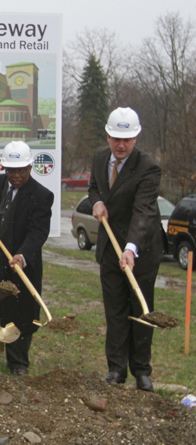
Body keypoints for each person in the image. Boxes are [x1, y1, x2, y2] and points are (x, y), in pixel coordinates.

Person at [88, 107, 162, 392]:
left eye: (127, 139)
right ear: (108, 135)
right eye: (116, 138)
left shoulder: (148, 168)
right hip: (109, 247)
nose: (121, 145)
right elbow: (95, 188)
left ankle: (142, 371)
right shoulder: (98, 157)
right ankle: (116, 369)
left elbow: (143, 212)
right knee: (115, 311)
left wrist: (131, 249)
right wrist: (95, 202)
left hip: (140, 249)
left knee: (141, 311)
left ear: (136, 137)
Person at [0, 141, 53, 377]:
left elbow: (38, 232)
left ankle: (18, 362)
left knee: (20, 311)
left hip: (22, 264)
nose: (15, 176)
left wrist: (22, 255)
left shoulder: (42, 195)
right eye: (11, 171)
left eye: (21, 171)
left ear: (29, 167)